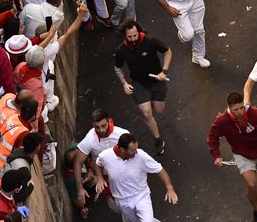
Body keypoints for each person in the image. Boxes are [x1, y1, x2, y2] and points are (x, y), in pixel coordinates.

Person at [207, 91, 257, 222]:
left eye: (241, 108)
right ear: (229, 108)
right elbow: (212, 138)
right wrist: (216, 155)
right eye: (236, 109)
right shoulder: (222, 121)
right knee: (252, 184)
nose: (240, 112)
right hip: (242, 155)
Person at [113, 20, 172, 156]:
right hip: (139, 84)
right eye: (129, 37)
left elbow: (168, 52)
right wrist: (124, 83)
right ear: (125, 36)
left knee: (159, 109)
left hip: (157, 80)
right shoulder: (121, 50)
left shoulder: (150, 41)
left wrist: (164, 71)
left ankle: (150, 104)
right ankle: (158, 140)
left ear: (138, 32)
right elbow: (117, 67)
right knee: (147, 113)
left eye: (135, 35)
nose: (133, 39)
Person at [94, 132, 178, 222]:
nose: (136, 152)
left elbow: (159, 170)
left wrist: (170, 188)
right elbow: (98, 163)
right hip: (121, 200)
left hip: (141, 196)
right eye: (133, 150)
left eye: (136, 148)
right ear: (122, 150)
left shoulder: (141, 156)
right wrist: (100, 178)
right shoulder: (106, 156)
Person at [72, 108, 130, 213]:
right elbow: (77, 163)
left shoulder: (122, 134)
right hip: (105, 177)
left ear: (109, 120)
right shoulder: (90, 138)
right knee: (117, 206)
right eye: (97, 127)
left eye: (103, 126)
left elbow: (133, 154)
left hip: (124, 172)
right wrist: (80, 188)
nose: (101, 130)